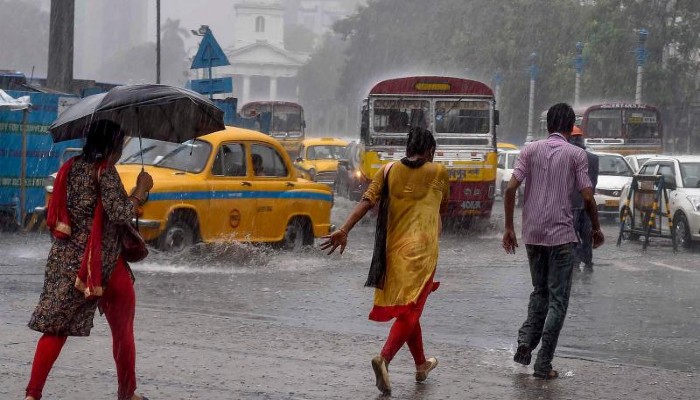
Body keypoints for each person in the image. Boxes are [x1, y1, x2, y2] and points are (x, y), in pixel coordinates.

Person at [25, 120, 153, 400]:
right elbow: (119, 213)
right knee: (122, 329)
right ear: (113, 146)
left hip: (66, 260)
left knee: (56, 328)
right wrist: (140, 192)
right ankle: (127, 393)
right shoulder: (104, 171)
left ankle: (32, 395)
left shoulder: (69, 168)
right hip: (102, 263)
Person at [321, 127, 448, 395]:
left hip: (393, 251)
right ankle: (384, 358)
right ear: (429, 151)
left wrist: (343, 229)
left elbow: (366, 202)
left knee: (408, 308)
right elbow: (442, 207)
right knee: (412, 309)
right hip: (423, 254)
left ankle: (421, 364)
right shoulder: (438, 172)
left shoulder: (387, 170)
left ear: (407, 148)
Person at [502, 103, 604, 380]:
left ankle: (525, 342)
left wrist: (509, 227)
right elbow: (586, 197)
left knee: (540, 292)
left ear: (548, 125)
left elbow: (511, 188)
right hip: (561, 237)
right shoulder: (576, 155)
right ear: (571, 128)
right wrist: (596, 228)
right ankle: (543, 363)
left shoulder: (529, 150)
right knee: (558, 300)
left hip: (532, 235)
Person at [569, 126, 599, 272]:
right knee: (587, 236)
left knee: (572, 236)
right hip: (587, 203)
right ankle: (587, 261)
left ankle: (575, 261)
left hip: (570, 204)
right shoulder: (593, 159)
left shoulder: (565, 158)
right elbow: (593, 183)